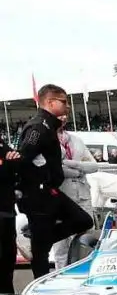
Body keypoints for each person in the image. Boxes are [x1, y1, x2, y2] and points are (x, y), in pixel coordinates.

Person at [14, 85, 94, 281]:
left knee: (83, 220)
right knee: (41, 254)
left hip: (49, 191)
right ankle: (39, 288)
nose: (67, 107)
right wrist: (33, 182)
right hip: (37, 194)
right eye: (63, 102)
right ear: (50, 103)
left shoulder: (49, 126)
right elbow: (23, 157)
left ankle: (36, 239)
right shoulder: (39, 127)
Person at [52, 123, 100, 270]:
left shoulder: (76, 140)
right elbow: (54, 169)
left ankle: (84, 271)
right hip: (61, 197)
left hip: (83, 195)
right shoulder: (47, 141)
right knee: (61, 244)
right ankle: (61, 274)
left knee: (85, 238)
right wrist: (78, 171)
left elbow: (94, 166)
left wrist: (72, 164)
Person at [0, 141, 20, 295]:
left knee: (8, 257)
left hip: (6, 208)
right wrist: (8, 163)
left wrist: (10, 162)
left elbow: (16, 160)